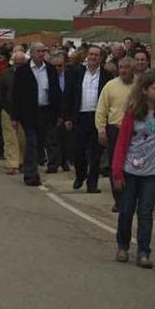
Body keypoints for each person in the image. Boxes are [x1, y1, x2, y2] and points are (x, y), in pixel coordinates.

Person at [112, 72, 155, 269]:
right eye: (154, 88)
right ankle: (123, 246)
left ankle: (144, 252)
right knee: (127, 210)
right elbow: (122, 144)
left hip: (152, 172)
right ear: (145, 90)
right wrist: (117, 172)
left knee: (146, 212)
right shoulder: (133, 113)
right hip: (130, 169)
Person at [64, 45, 113, 193]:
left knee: (96, 153)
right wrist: (67, 117)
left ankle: (92, 184)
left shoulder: (106, 75)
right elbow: (68, 96)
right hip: (80, 116)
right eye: (91, 54)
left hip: (98, 118)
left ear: (101, 58)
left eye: (96, 55)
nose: (93, 57)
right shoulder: (76, 73)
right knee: (78, 151)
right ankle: (80, 175)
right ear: (87, 56)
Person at [11, 42, 61, 186]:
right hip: (29, 113)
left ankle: (39, 167)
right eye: (38, 51)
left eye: (43, 51)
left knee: (41, 143)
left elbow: (56, 91)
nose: (41, 54)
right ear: (31, 53)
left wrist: (58, 113)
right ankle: (30, 174)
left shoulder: (50, 70)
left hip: (47, 112)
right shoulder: (23, 71)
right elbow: (16, 95)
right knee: (31, 143)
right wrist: (15, 116)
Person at [96, 57, 136, 212]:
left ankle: (131, 197)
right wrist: (101, 130)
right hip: (115, 130)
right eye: (121, 67)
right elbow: (101, 110)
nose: (123, 70)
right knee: (115, 164)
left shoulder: (140, 86)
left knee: (133, 165)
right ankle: (119, 200)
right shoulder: (110, 86)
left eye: (126, 67)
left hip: (135, 132)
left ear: (132, 69)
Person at [1, 51, 26, 175]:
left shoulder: (29, 74)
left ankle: (21, 161)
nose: (19, 63)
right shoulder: (6, 74)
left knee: (22, 138)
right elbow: (2, 93)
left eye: (22, 61)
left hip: (24, 112)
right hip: (8, 111)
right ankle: (12, 163)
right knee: (10, 138)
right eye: (17, 61)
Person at [51, 53, 72, 172]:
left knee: (66, 138)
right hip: (53, 112)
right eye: (55, 66)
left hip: (66, 112)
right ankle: (55, 161)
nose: (57, 68)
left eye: (59, 66)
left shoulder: (69, 76)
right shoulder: (49, 76)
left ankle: (64, 161)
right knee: (54, 138)